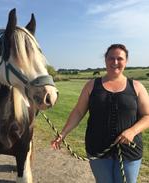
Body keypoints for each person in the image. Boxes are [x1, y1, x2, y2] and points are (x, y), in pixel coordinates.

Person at [51, 44, 149, 183]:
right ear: (105, 60)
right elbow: (78, 112)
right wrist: (63, 133)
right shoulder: (91, 86)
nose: (115, 62)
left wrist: (132, 131)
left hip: (129, 151)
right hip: (98, 148)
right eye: (111, 58)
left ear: (126, 61)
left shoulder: (137, 87)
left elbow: (147, 116)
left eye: (119, 58)